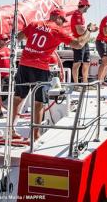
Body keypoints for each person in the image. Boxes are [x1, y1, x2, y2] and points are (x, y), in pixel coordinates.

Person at [12, 8, 90, 140]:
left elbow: (19, 37)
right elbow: (78, 45)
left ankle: (10, 130)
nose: (63, 23)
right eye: (63, 20)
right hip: (40, 68)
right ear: (57, 18)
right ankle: (35, 135)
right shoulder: (58, 31)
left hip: (24, 65)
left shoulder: (35, 24)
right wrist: (88, 31)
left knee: (18, 98)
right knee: (39, 102)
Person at [70, 0, 98, 87]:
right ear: (85, 6)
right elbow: (80, 32)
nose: (88, 8)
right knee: (77, 64)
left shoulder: (80, 15)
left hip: (84, 42)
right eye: (88, 6)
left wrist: (90, 30)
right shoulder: (77, 15)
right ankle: (76, 84)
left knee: (87, 63)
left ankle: (85, 83)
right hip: (78, 42)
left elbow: (83, 31)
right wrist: (90, 29)